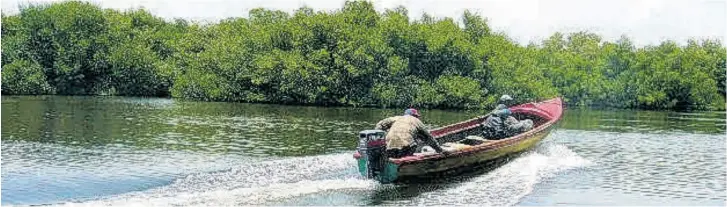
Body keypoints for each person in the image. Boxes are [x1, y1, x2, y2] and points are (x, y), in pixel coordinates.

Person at [375, 108, 449, 158]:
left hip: (389, 147)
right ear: (414, 116)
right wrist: (440, 150)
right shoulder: (417, 121)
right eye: (417, 116)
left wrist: (381, 137)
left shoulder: (397, 118)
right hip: (406, 148)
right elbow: (429, 138)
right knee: (415, 142)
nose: (417, 118)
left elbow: (379, 125)